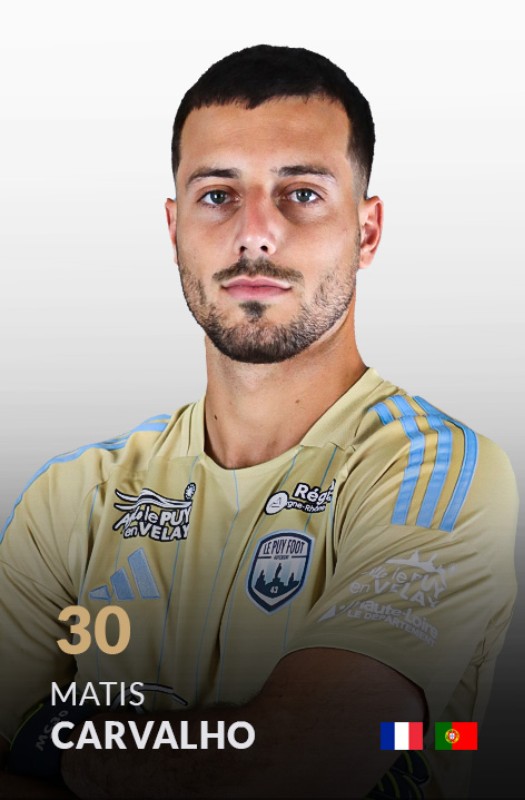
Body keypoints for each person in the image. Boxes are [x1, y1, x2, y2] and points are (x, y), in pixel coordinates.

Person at [0, 44, 518, 799]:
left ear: (367, 232)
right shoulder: (72, 496)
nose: (255, 233)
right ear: (174, 229)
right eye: (217, 195)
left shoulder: (437, 473)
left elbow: (290, 767)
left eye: (301, 193)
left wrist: (67, 748)